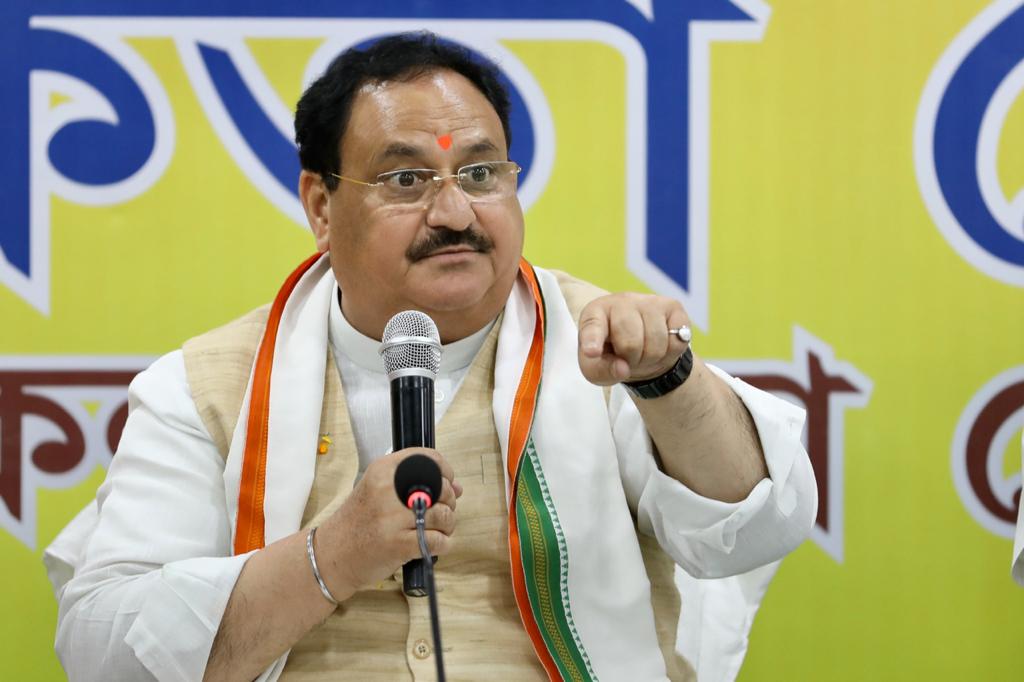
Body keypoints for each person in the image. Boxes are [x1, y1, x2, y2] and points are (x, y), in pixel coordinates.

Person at [46, 32, 817, 681]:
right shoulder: (205, 385)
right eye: (407, 178)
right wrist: (332, 556)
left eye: (480, 173)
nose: (454, 213)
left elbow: (754, 527)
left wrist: (670, 382)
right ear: (320, 205)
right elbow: (105, 650)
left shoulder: (606, 346)